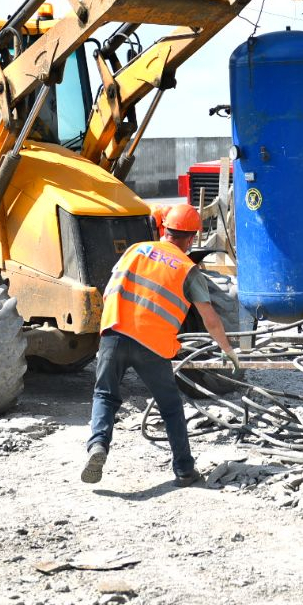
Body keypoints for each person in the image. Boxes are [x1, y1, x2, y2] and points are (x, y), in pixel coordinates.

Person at [82, 203, 241, 487]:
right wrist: (228, 352)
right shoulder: (187, 269)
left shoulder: (135, 250)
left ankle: (98, 446)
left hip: (113, 331)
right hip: (152, 345)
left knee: (105, 395)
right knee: (170, 407)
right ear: (191, 238)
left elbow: (110, 289)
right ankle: (184, 470)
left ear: (164, 230)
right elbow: (211, 320)